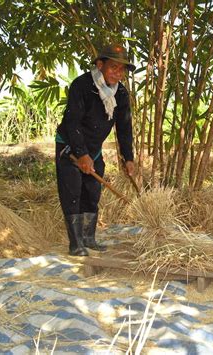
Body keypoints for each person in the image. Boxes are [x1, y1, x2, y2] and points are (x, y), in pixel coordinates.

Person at [55, 44, 135, 256]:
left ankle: (89, 238)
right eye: (113, 67)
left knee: (92, 191)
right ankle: (76, 243)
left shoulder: (121, 94)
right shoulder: (82, 86)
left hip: (94, 149)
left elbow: (124, 127)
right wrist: (81, 154)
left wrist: (129, 158)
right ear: (100, 65)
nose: (118, 73)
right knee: (72, 191)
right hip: (70, 147)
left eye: (122, 70)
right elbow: (73, 123)